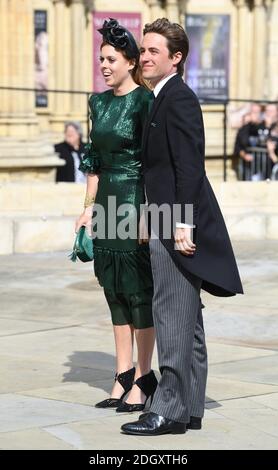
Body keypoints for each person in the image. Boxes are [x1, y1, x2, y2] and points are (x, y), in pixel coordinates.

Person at [121, 18, 243, 436]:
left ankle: (169, 410)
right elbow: (159, 172)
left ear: (176, 58)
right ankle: (189, 407)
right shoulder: (161, 97)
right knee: (186, 319)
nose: (145, 56)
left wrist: (181, 224)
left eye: (154, 50)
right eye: (143, 49)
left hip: (176, 222)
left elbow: (189, 168)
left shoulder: (179, 98)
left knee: (171, 315)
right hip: (163, 216)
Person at [75, 19, 157, 412]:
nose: (104, 65)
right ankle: (121, 372)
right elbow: (93, 163)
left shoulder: (144, 100)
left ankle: (144, 376)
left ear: (129, 61)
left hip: (135, 201)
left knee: (139, 291)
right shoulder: (98, 102)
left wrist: (148, 213)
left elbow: (155, 162)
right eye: (100, 59)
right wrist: (85, 212)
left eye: (111, 59)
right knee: (113, 289)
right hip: (107, 200)